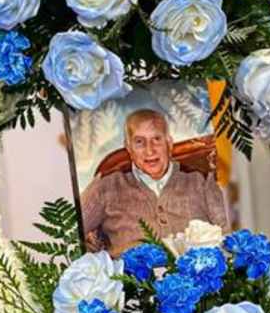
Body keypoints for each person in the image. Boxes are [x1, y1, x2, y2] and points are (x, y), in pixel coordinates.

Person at [80, 109, 229, 257]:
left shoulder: (201, 180)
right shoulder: (106, 186)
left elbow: (229, 233)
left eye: (156, 139)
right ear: (129, 148)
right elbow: (70, 232)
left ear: (169, 143)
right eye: (139, 142)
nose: (149, 150)